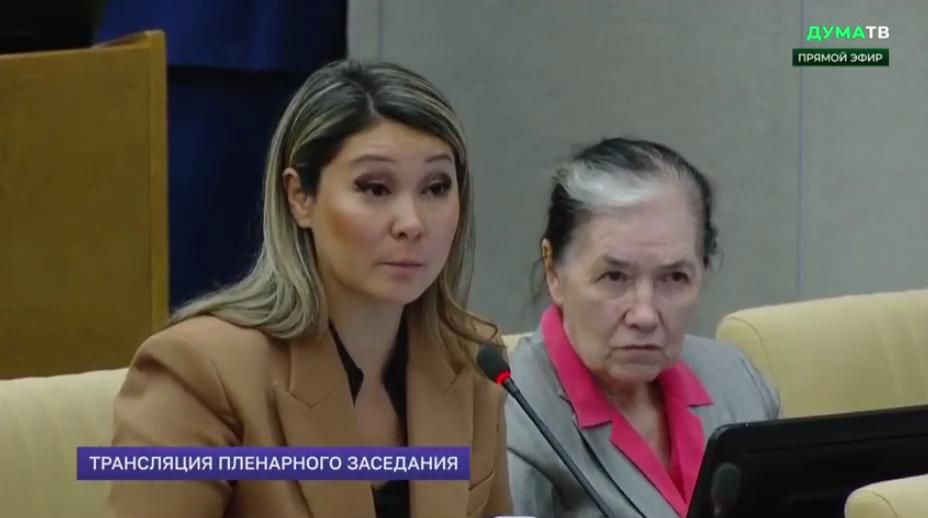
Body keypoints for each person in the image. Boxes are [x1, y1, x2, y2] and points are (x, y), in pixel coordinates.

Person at [109, 60, 512, 518]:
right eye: (375, 188)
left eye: (436, 188)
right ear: (300, 197)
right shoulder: (200, 371)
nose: (412, 223)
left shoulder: (473, 359)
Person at [506, 138, 779, 518]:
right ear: (554, 272)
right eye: (615, 276)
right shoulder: (503, 421)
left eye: (674, 278)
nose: (645, 315)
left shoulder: (739, 382)